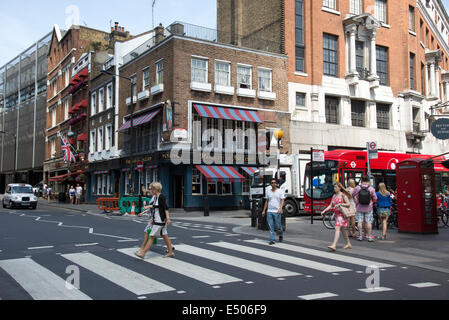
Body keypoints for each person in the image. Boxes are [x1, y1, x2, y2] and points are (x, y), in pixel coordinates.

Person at [135, 182, 175, 259]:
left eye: (152, 189)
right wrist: (153, 219)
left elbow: (165, 208)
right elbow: (155, 209)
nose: (151, 190)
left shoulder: (161, 197)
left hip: (160, 220)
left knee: (151, 236)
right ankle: (170, 252)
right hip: (157, 219)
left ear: (156, 189)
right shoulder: (156, 197)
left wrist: (168, 218)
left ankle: (143, 253)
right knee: (164, 235)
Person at [321, 182, 352, 251]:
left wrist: (340, 204)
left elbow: (348, 204)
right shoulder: (334, 196)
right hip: (336, 215)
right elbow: (331, 205)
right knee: (342, 230)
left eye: (336, 187)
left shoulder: (343, 195)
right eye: (334, 187)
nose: (334, 188)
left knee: (337, 228)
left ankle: (334, 245)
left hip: (342, 215)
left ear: (340, 188)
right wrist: (324, 211)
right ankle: (348, 243)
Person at [352, 175, 378, 242]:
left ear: (361, 180)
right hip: (368, 208)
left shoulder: (358, 187)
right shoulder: (371, 189)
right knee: (368, 222)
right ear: (368, 181)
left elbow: (352, 194)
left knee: (360, 221)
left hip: (359, 207)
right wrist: (371, 201)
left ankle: (360, 236)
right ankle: (369, 236)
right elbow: (375, 198)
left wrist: (356, 201)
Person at [262, 178, 285, 245]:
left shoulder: (280, 191)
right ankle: (272, 240)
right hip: (269, 211)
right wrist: (264, 210)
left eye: (274, 182)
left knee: (278, 226)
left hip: (277, 211)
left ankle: (280, 235)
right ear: (270, 184)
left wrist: (280, 209)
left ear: (276, 184)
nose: (273, 184)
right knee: (271, 226)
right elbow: (267, 201)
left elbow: (282, 200)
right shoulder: (269, 192)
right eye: (272, 183)